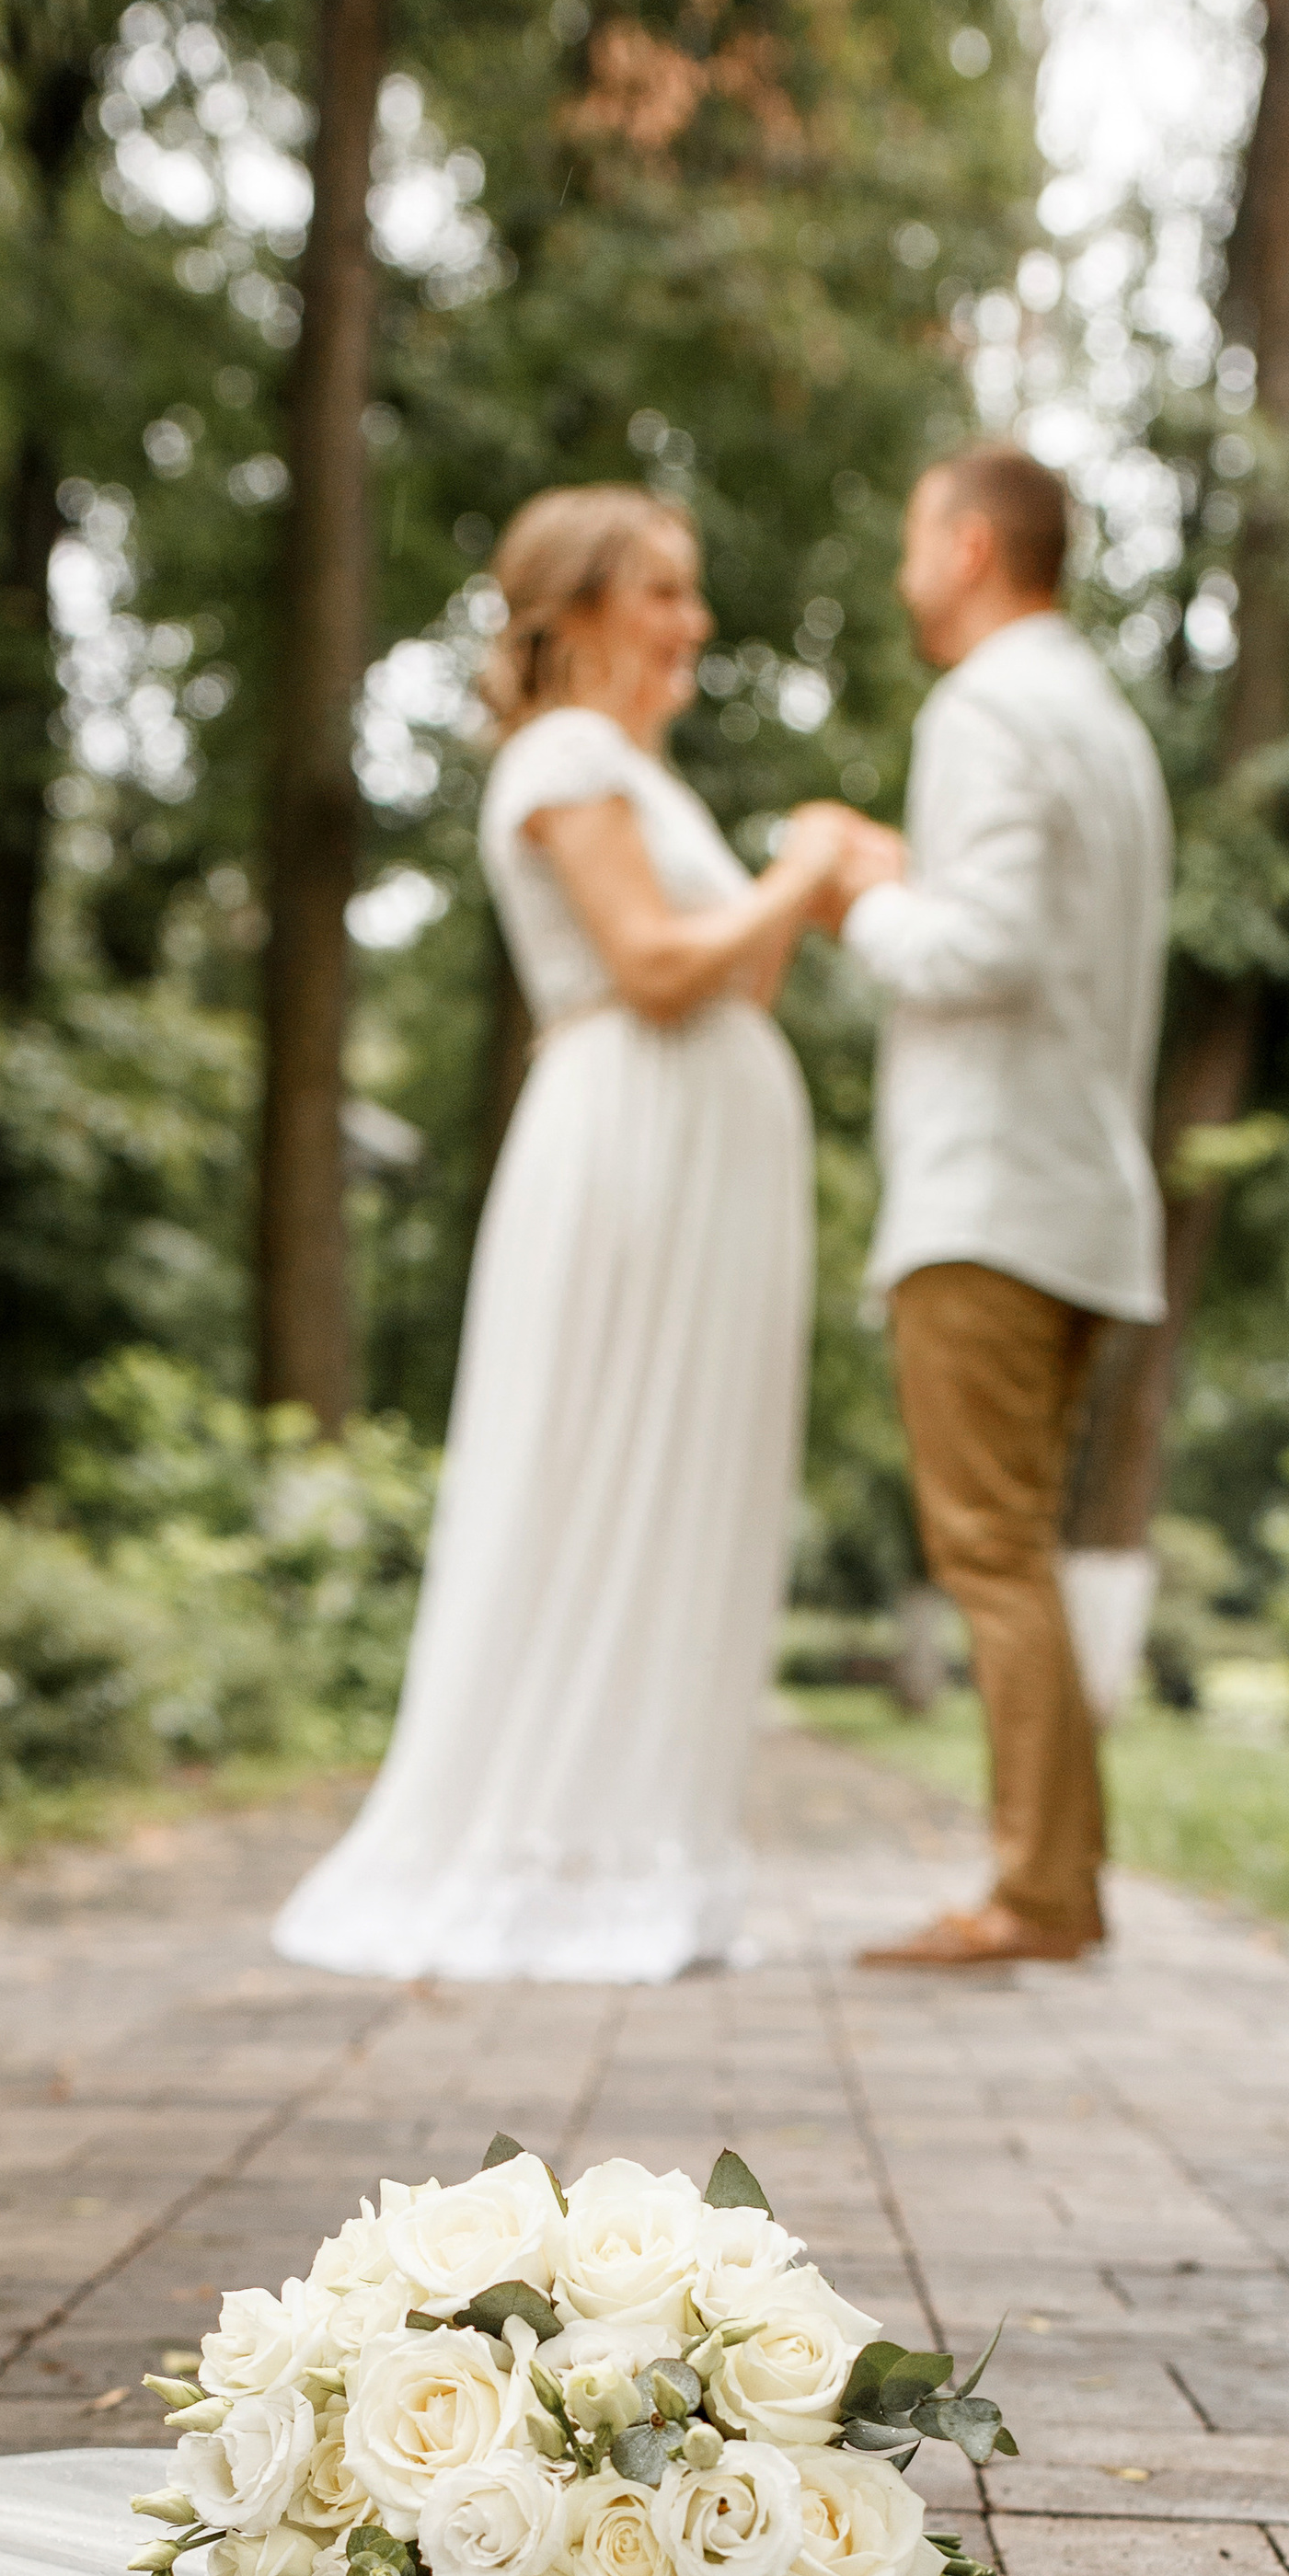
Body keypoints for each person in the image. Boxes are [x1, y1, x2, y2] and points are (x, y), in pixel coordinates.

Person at [274, 484, 898, 1984]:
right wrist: (805, 871)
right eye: (664, 593)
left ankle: (645, 1842)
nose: (694, 623)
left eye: (692, 592)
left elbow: (729, 981)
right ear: (571, 616)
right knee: (600, 1468)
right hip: (629, 1143)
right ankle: (555, 1847)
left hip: (694, 1159)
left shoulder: (636, 771)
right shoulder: (563, 754)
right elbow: (659, 966)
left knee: (683, 1484)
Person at [834, 441, 1173, 1970]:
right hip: (1085, 1190)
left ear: (970, 545)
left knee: (990, 1553)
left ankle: (1036, 1895)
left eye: (916, 530)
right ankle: (1066, 1884)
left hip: (990, 1196)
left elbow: (979, 952)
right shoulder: (1101, 723)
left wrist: (855, 890)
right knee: (1019, 1548)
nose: (909, 560)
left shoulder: (984, 705)